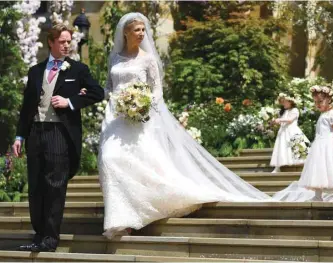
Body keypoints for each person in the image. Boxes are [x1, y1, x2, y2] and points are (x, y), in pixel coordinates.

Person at [97, 13, 271, 239]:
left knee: (140, 163)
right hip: (116, 118)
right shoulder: (115, 59)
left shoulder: (148, 59)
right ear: (125, 33)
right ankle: (122, 214)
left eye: (143, 29)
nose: (141, 34)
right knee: (109, 158)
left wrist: (141, 105)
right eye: (137, 30)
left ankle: (130, 216)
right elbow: (109, 87)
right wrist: (114, 100)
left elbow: (157, 90)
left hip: (140, 117)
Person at [12, 24, 104, 252]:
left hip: (59, 134)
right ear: (51, 42)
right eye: (62, 41)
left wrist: (70, 102)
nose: (66, 45)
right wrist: (20, 136)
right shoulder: (35, 71)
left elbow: (98, 92)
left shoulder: (78, 70)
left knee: (54, 186)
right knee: (35, 186)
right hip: (35, 133)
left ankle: (50, 239)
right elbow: (26, 108)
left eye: (68, 41)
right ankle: (38, 235)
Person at [275, 85, 333, 201]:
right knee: (318, 171)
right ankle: (318, 196)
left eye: (320, 101)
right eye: (315, 102)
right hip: (319, 146)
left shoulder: (332, 114)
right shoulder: (323, 114)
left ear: (328, 100)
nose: (318, 104)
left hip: (329, 146)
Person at [270, 93, 309, 173]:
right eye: (282, 102)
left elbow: (290, 120)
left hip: (292, 131)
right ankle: (277, 167)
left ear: (290, 102)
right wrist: (275, 122)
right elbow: (283, 121)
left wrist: (280, 120)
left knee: (298, 147)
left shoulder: (295, 110)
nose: (283, 103)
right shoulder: (284, 111)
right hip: (283, 131)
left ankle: (304, 167)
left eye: (284, 102)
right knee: (281, 147)